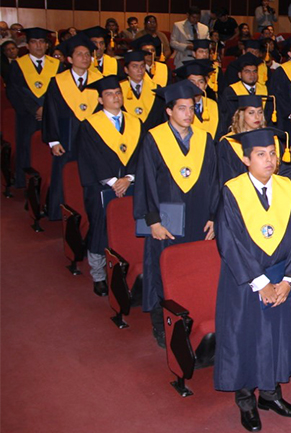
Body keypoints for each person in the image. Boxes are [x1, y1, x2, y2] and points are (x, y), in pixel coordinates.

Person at [214, 127, 291, 432]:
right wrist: (260, 282)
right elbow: (229, 242)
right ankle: (246, 400)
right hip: (246, 283)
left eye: (272, 153)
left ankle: (270, 394)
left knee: (278, 336)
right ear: (245, 159)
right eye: (261, 154)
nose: (269, 159)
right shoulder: (232, 190)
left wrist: (290, 279)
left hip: (281, 279)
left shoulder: (288, 187)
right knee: (245, 336)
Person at [134, 80, 219, 348]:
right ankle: (163, 323)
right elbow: (146, 181)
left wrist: (214, 216)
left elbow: (214, 180)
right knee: (164, 269)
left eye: (191, 108)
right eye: (182, 108)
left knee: (195, 268)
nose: (188, 113)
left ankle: (196, 318)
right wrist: (152, 221)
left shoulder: (204, 139)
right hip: (167, 218)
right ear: (169, 111)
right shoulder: (154, 138)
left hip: (199, 215)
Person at [76, 76, 142, 297]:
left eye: (118, 93)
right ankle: (99, 275)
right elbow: (91, 158)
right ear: (100, 99)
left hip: (130, 184)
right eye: (110, 94)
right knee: (100, 228)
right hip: (100, 187)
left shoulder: (135, 122)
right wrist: (113, 181)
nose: (116, 97)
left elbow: (141, 154)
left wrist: (129, 178)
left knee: (129, 226)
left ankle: (127, 268)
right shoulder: (90, 125)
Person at [42, 34, 104, 221]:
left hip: (93, 139)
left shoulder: (99, 80)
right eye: (80, 54)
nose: (85, 58)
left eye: (88, 54)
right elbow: (50, 112)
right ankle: (59, 212)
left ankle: (89, 213)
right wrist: (53, 140)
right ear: (69, 59)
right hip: (66, 136)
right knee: (64, 174)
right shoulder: (58, 81)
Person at [5, 27, 63, 188]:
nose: (38, 46)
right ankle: (27, 184)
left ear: (47, 45)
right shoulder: (18, 65)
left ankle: (49, 183)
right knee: (27, 146)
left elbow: (60, 91)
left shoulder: (56, 65)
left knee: (50, 147)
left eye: (41, 42)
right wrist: (35, 110)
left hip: (50, 116)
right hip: (27, 116)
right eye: (34, 42)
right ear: (28, 45)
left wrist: (48, 110)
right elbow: (14, 91)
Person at [216, 95, 276, 185]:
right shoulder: (228, 143)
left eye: (260, 112)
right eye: (251, 113)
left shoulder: (271, 138)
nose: (257, 117)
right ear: (242, 115)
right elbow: (226, 175)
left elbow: (283, 170)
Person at [174, 59, 223, 139]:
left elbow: (220, 131)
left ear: (206, 85)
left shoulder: (214, 105)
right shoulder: (178, 106)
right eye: (192, 82)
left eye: (200, 82)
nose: (196, 85)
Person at [119, 50, 165, 134]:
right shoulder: (119, 91)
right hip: (129, 136)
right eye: (135, 66)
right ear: (126, 70)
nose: (139, 70)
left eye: (142, 66)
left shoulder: (156, 90)